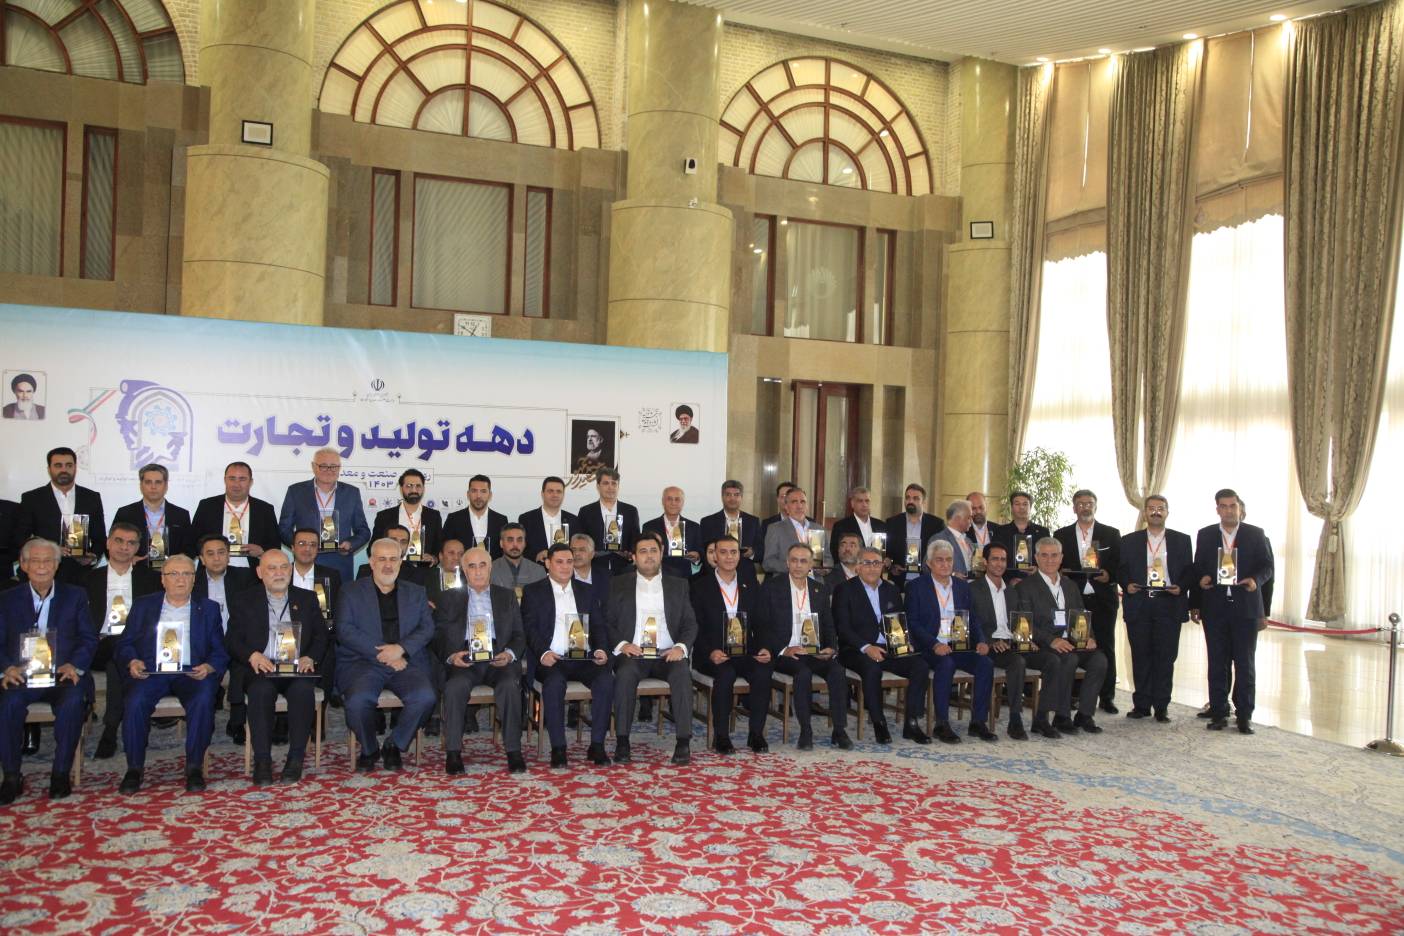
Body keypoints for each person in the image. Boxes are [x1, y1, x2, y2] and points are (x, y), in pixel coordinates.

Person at [116, 554, 228, 793]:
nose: (180, 579)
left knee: (203, 698)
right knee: (135, 701)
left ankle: (194, 766)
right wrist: (132, 661)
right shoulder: (144, 605)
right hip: (152, 671)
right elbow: (125, 643)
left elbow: (220, 650)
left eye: (186, 574)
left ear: (194, 579)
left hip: (191, 672)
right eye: (173, 574)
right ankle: (134, 768)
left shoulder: (208, 608)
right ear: (163, 579)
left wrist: (209, 667)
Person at [0, 539, 93, 802]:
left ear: (57, 565)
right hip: (21, 675)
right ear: (24, 565)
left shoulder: (75, 596)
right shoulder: (6, 599)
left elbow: (88, 638)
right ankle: (11, 775)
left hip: (62, 675)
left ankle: (60, 773)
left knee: (73, 702)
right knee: (8, 705)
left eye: (48, 561)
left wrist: (74, 665)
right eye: (35, 561)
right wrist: (6, 668)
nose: (42, 566)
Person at [225, 549, 327, 785]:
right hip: (263, 668)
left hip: (296, 668)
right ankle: (262, 760)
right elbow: (232, 639)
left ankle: (295, 758)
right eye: (271, 568)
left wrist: (310, 657)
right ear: (259, 572)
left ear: (290, 571)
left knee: (302, 691)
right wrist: (251, 655)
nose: (279, 573)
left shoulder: (307, 598)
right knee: (261, 692)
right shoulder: (244, 599)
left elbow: (322, 636)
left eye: (283, 567)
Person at [335, 538, 437, 772]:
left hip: (405, 662)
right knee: (358, 701)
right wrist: (386, 653)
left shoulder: (416, 592)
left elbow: (427, 628)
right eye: (382, 559)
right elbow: (345, 630)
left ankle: (395, 744)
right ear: (371, 562)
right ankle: (369, 748)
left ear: (401, 562)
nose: (388, 565)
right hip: (363, 662)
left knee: (425, 697)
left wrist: (400, 649)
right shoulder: (350, 591)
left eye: (393, 559)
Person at [605, 531, 697, 765]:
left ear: (662, 553)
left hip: (667, 653)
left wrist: (680, 647)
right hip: (633, 654)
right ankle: (623, 741)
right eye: (643, 551)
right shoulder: (618, 583)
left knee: (682, 672)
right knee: (625, 674)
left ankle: (683, 742)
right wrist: (623, 645)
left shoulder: (678, 584)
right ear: (634, 557)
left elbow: (690, 623)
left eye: (653, 551)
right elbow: (607, 621)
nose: (649, 556)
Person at [434, 546, 526, 774]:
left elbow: (519, 634)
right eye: (472, 566)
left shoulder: (506, 596)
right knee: (455, 687)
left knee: (510, 685)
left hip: (498, 656)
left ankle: (514, 751)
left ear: (490, 568)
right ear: (464, 570)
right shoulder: (447, 598)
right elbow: (436, 635)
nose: (477, 571)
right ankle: (453, 752)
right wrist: (451, 656)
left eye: (482, 565)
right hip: (465, 657)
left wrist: (509, 654)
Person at [522, 543, 614, 767]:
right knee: (554, 684)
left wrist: (600, 650)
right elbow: (529, 628)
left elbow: (599, 626)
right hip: (552, 658)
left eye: (569, 562)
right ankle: (559, 748)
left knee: (605, 679)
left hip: (583, 657)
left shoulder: (586, 590)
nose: (565, 567)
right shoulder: (533, 591)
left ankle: (597, 745)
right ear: (547, 563)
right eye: (559, 562)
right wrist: (543, 652)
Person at [1193, 488, 1273, 735]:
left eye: (1233, 506)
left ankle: (1244, 715)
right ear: (1217, 509)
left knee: (1245, 663)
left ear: (1240, 508)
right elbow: (1198, 566)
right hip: (1214, 607)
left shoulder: (1255, 534)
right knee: (1217, 662)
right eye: (1224, 506)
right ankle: (1219, 711)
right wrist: (1200, 585)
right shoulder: (1206, 534)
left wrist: (1255, 580)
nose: (1229, 511)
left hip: (1245, 608)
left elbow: (1268, 567)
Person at [1009, 537, 1107, 737]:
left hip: (1071, 640)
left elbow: (1082, 613)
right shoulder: (1025, 587)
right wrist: (1051, 640)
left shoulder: (1070, 585)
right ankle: (1058, 717)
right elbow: (1023, 625)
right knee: (1068, 659)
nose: (1050, 560)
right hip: (1041, 644)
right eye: (1044, 555)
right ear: (1036, 557)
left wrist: (1089, 636)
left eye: (1054, 555)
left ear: (1061, 558)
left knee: (1099, 660)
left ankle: (1084, 714)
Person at [758, 542, 852, 750]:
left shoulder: (820, 589)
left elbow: (828, 623)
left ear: (811, 565)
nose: (798, 565)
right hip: (786, 653)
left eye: (803, 561)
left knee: (837, 671)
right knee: (803, 673)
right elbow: (762, 625)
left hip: (813, 651)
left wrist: (830, 647)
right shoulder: (772, 587)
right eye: (794, 560)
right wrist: (784, 649)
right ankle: (806, 730)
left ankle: (839, 730)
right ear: (787, 563)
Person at [833, 547, 931, 744]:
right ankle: (879, 722)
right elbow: (842, 628)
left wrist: (905, 642)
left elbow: (898, 621)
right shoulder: (844, 590)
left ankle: (911, 724)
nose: (872, 567)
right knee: (872, 669)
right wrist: (866, 648)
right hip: (855, 649)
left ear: (883, 566)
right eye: (867, 563)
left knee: (920, 666)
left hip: (888, 647)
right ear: (858, 567)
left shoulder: (891, 589)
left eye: (876, 563)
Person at [906, 539, 997, 743]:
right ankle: (942, 723)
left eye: (949, 560)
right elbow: (913, 623)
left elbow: (973, 618)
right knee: (946, 664)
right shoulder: (916, 587)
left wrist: (981, 641)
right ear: (929, 563)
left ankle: (978, 722)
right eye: (939, 560)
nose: (945, 564)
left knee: (985, 663)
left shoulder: (962, 587)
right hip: (930, 646)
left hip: (959, 644)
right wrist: (934, 644)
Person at [690, 535, 772, 754]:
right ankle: (721, 736)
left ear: (739, 556)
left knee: (763, 672)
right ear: (715, 556)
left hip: (744, 651)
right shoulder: (700, 587)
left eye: (733, 552)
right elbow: (695, 626)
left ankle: (756, 734)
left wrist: (765, 647)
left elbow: (762, 622)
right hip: (712, 654)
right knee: (725, 674)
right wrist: (711, 652)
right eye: (723, 552)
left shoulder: (751, 585)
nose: (729, 557)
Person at [85, 522, 160, 759]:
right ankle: (127, 723)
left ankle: (111, 728)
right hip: (98, 645)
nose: (124, 547)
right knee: (116, 648)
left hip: (136, 646)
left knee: (117, 657)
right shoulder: (88, 579)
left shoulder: (150, 579)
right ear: (108, 543)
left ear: (138, 548)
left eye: (131, 543)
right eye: (118, 540)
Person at [1118, 495, 1193, 723]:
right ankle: (1141, 705)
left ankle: (1161, 706)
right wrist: (1126, 584)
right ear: (1145, 513)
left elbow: (1190, 570)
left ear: (1167, 512)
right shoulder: (1129, 540)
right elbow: (1120, 569)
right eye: (1151, 508)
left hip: (1168, 603)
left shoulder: (1182, 540)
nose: (1156, 512)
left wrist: (1181, 587)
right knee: (1140, 655)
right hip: (1139, 602)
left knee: (1165, 657)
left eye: (1160, 508)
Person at [969, 542, 1054, 740]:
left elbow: (1020, 621)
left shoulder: (1011, 591)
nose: (999, 564)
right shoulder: (973, 589)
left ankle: (1041, 718)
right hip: (990, 645)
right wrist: (990, 641)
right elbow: (972, 622)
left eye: (1003, 560)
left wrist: (1027, 639)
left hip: (1013, 643)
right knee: (1017, 662)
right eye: (995, 559)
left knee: (1052, 660)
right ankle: (1015, 719)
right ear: (985, 562)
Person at [1054, 489, 1122, 714]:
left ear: (1096, 506)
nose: (1085, 507)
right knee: (1074, 644)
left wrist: (1110, 575)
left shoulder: (1110, 533)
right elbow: (1056, 562)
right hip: (1074, 598)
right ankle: (1075, 694)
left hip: (1103, 598)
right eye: (1081, 504)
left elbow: (1119, 563)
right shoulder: (1061, 534)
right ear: (1074, 508)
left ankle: (1107, 697)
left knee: (1105, 645)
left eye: (1089, 503)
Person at [192, 533, 255, 743]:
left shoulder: (245, 577)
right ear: (202, 559)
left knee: (241, 667)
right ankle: (206, 715)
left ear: (229, 556)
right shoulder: (192, 581)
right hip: (206, 645)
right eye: (210, 554)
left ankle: (237, 722)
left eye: (221, 553)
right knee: (204, 671)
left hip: (236, 640)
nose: (216, 558)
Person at [278, 449, 371, 585]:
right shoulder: (296, 491)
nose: (329, 470)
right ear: (313, 466)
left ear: (339, 468)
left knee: (340, 599)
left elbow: (363, 531)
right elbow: (284, 529)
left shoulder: (352, 493)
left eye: (333, 466)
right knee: (305, 598)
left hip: (340, 564)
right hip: (306, 564)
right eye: (323, 466)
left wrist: (350, 544)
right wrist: (302, 546)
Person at [16, 447, 107, 584]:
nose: (64, 470)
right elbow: (20, 538)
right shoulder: (32, 498)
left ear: (75, 468)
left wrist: (92, 557)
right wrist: (49, 549)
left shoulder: (91, 497)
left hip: (80, 576)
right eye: (58, 465)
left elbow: (100, 538)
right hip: (42, 573)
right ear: (49, 469)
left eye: (69, 465)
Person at [191, 462, 280, 569]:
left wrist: (261, 551)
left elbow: (275, 546)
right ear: (225, 480)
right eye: (232, 478)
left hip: (252, 572)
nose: (236, 484)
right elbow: (193, 541)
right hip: (213, 570)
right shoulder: (207, 506)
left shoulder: (265, 509)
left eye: (242, 479)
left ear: (251, 482)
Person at [112, 463, 194, 562]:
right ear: (141, 485)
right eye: (148, 482)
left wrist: (177, 560)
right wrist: (128, 559)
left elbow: (190, 548)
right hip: (136, 569)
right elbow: (112, 545)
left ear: (166, 485)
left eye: (158, 482)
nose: (153, 487)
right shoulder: (125, 513)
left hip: (171, 570)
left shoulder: (181, 515)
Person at [576, 468, 641, 577]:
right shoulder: (586, 511)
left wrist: (631, 553)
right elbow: (580, 540)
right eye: (606, 483)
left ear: (618, 486)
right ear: (598, 486)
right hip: (594, 568)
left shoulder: (630, 511)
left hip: (625, 569)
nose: (610, 487)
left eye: (614, 483)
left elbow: (636, 539)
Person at [372, 469, 442, 567]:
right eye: (409, 486)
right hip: (392, 569)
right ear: (401, 489)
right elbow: (373, 547)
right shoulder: (384, 516)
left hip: (423, 571)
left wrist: (433, 558)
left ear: (423, 488)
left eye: (418, 486)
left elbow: (439, 547)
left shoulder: (434, 516)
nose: (414, 490)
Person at [883, 483, 946, 586]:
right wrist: (892, 565)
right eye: (907, 498)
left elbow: (941, 552)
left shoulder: (936, 524)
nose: (910, 501)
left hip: (928, 581)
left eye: (916, 498)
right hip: (899, 581)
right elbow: (887, 553)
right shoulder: (892, 523)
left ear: (924, 502)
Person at [699, 479, 761, 574]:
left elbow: (761, 551)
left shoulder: (753, 521)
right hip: (715, 574)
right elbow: (702, 551)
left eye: (736, 495)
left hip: (745, 574)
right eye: (728, 495)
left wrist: (752, 553)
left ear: (741, 497)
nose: (732, 498)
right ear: (722, 497)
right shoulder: (708, 522)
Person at [642, 486, 701, 579]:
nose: (673, 503)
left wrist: (697, 557)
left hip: (684, 578)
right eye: (669, 499)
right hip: (657, 577)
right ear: (663, 501)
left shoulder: (694, 527)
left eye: (677, 499)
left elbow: (700, 554)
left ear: (682, 503)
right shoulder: (649, 526)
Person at [442, 475, 507, 559]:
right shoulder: (453, 519)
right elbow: (445, 549)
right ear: (468, 494)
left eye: (483, 491)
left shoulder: (501, 520)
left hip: (493, 567)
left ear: (490, 495)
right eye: (474, 491)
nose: (478, 496)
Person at [762, 486, 822, 575]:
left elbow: (827, 559)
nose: (799, 506)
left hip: (814, 581)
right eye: (794, 502)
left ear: (807, 506)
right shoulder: (775, 529)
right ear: (786, 507)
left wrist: (823, 568)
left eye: (803, 502)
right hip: (787, 580)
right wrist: (795, 567)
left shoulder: (818, 529)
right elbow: (768, 563)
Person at [994, 490, 1051, 582]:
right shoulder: (1000, 532)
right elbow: (995, 560)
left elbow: (1049, 559)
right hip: (1007, 583)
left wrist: (1039, 571)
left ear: (1030, 507)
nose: (1021, 507)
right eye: (1017, 504)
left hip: (1036, 582)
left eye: (1025, 504)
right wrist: (1009, 581)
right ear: (1011, 507)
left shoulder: (1042, 532)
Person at [519, 476, 578, 564]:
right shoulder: (526, 519)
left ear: (563, 495)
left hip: (565, 570)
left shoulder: (573, 520)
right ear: (542, 494)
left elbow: (576, 549)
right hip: (536, 570)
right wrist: (536, 556)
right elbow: (521, 549)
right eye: (550, 491)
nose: (555, 495)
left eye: (559, 491)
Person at [829, 486, 889, 566]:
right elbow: (835, 553)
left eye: (867, 501)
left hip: (875, 570)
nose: (864, 505)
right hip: (851, 571)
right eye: (860, 501)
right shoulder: (841, 526)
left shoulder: (881, 525)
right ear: (852, 504)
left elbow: (887, 551)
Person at [355, 525, 427, 587]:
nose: (398, 545)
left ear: (408, 545)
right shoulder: (365, 571)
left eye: (403, 542)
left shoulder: (417, 574)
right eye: (393, 540)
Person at [490, 523, 548, 597]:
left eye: (519, 540)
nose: (515, 545)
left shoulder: (538, 571)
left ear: (525, 543)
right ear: (501, 543)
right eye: (510, 540)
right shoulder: (490, 570)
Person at [931, 500, 977, 579]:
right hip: (950, 585)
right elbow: (927, 566)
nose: (971, 521)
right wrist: (952, 575)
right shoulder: (939, 539)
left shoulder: (968, 540)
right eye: (969, 517)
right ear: (958, 518)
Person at [424, 538, 466, 609]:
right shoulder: (426, 578)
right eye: (451, 553)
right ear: (441, 556)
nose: (456, 558)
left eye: (460, 554)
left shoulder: (469, 579)